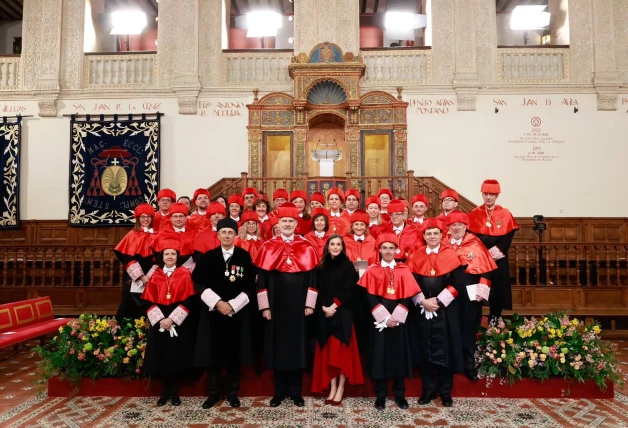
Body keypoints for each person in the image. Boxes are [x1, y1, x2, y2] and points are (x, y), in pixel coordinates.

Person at [255, 201, 319, 407]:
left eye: (291, 221)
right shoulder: (267, 247)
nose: (287, 224)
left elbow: (312, 280)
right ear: (278, 223)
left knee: (298, 347)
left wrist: (310, 304)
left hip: (299, 307)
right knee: (277, 348)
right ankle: (278, 392)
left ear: (296, 223)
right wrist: (264, 307)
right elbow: (262, 281)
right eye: (284, 221)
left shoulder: (306, 246)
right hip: (275, 307)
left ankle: (296, 392)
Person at [193, 218, 256, 409]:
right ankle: (213, 393)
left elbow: (249, 286)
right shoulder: (208, 257)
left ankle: (232, 393)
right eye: (224, 233)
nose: (227, 236)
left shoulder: (244, 256)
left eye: (230, 232)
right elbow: (199, 283)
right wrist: (218, 303)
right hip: (213, 313)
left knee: (233, 354)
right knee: (212, 354)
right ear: (218, 235)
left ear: (236, 235)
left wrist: (233, 305)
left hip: (236, 314)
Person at [405, 218, 466, 407]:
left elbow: (457, 284)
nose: (432, 236)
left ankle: (445, 391)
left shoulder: (452, 255)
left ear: (442, 235)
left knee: (445, 350)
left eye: (435, 233)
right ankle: (428, 390)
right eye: (428, 233)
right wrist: (423, 302)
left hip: (445, 312)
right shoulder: (415, 256)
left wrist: (438, 302)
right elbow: (410, 283)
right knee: (425, 350)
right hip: (422, 311)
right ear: (423, 236)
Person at [357, 232, 421, 410]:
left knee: (399, 355)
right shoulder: (372, 270)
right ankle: (381, 395)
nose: (387, 251)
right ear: (379, 250)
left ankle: (400, 394)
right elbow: (370, 296)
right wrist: (385, 317)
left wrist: (396, 317)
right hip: (379, 320)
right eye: (384, 248)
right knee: (379, 355)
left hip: (399, 319)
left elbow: (408, 295)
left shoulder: (403, 269)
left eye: (391, 248)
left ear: (396, 250)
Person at [141, 238, 198, 407]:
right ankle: (165, 392)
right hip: (160, 321)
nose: (170, 256)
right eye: (167, 254)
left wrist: (172, 319)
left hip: (178, 321)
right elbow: (148, 301)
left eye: (173, 254)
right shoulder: (155, 275)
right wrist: (161, 320)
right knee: (161, 356)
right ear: (162, 256)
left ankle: (174, 392)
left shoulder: (185, 274)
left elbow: (189, 300)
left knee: (176, 356)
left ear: (177, 256)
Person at [442, 211, 496, 380]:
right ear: (448, 228)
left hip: (470, 294)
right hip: (448, 292)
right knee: (449, 328)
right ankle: (451, 364)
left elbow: (486, 270)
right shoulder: (443, 243)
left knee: (468, 327)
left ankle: (469, 365)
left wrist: (482, 291)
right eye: (453, 225)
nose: (457, 227)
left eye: (460, 224)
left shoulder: (475, 242)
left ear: (466, 226)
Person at [311, 235, 363, 404]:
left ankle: (340, 388)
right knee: (327, 353)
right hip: (325, 313)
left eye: (338, 244)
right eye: (332, 244)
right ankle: (332, 387)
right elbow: (317, 289)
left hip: (342, 314)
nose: (335, 247)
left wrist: (333, 306)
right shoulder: (322, 266)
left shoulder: (347, 265)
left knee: (341, 354)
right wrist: (324, 307)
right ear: (327, 246)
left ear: (342, 247)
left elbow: (349, 290)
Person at [467, 179, 519, 320]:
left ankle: (494, 322)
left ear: (497, 196)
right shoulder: (474, 213)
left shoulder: (505, 213)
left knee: (497, 291)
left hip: (498, 260)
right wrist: (481, 256)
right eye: (485, 194)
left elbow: (506, 239)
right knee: (477, 290)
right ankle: (476, 321)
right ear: (482, 195)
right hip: (479, 260)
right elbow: (471, 237)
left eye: (492, 194)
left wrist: (492, 255)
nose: (488, 197)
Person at [114, 203, 157, 321]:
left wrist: (152, 274)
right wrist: (141, 276)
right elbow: (126, 257)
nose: (146, 219)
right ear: (138, 218)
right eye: (143, 217)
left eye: (148, 216)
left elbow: (160, 256)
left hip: (154, 275)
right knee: (130, 304)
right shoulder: (132, 235)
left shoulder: (157, 235)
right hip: (135, 277)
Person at [151, 202, 196, 268]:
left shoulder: (194, 234)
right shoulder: (163, 234)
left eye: (181, 216)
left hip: (189, 270)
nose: (178, 219)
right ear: (170, 218)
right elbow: (158, 257)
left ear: (186, 218)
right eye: (175, 216)